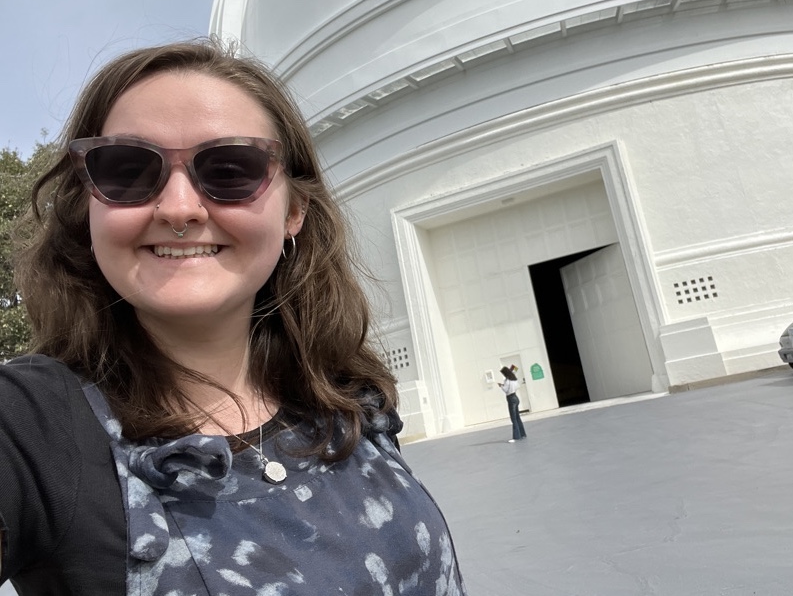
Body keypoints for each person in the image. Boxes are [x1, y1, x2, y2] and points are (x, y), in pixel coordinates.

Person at [0, 39, 467, 595]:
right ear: (88, 207)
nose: (179, 208)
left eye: (230, 168)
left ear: (294, 211)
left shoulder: (346, 395)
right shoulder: (34, 426)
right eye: (126, 170)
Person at [499, 366, 527, 443]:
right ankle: (522, 434)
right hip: (515, 397)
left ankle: (516, 437)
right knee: (517, 417)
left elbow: (505, 390)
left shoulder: (507, 380)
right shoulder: (514, 378)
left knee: (513, 418)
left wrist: (501, 386)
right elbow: (515, 368)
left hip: (511, 398)